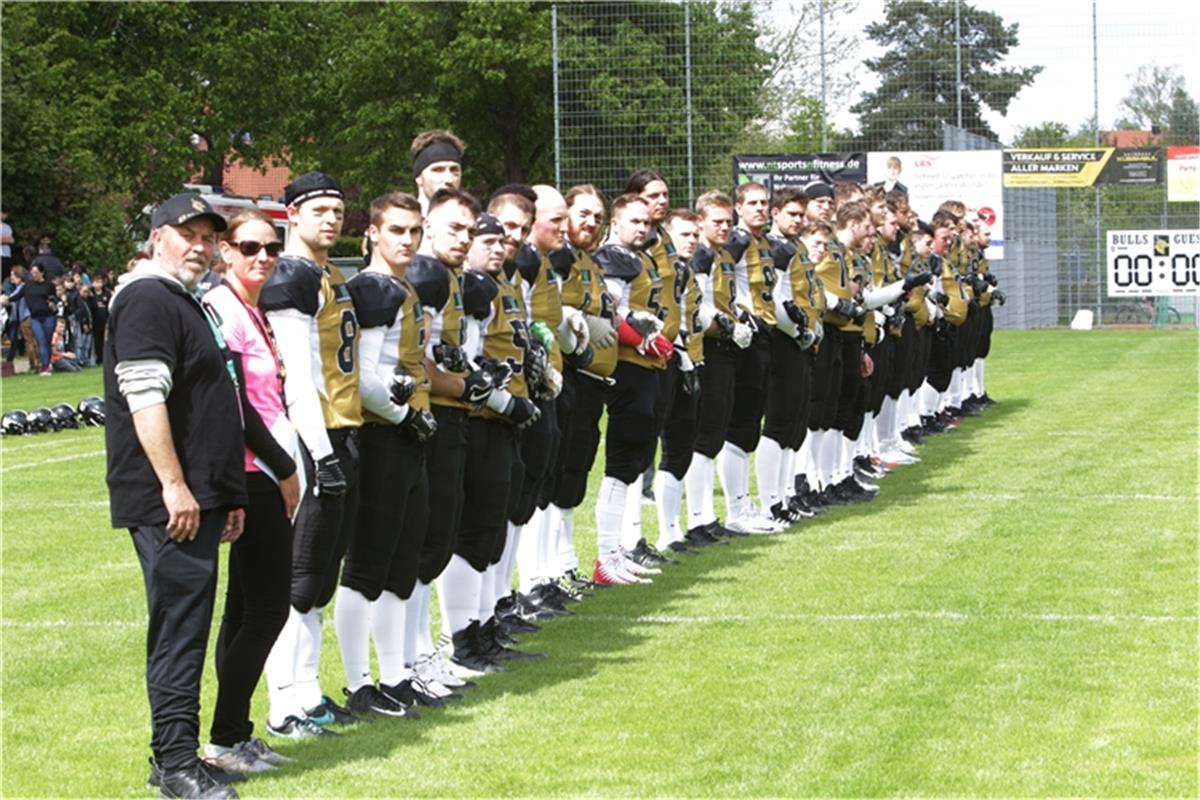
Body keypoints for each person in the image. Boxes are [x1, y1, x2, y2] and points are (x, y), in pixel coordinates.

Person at [103, 191, 246, 799]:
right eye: (188, 233)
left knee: (187, 623)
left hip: (198, 495)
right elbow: (144, 396)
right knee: (179, 630)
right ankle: (174, 763)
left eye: (209, 236)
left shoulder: (179, 299)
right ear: (157, 236)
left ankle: (183, 755)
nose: (201, 245)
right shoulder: (145, 297)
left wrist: (223, 491)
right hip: (171, 501)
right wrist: (174, 485)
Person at [259, 171, 364, 738]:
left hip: (341, 430)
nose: (331, 218)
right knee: (299, 579)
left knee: (321, 578)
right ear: (292, 214)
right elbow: (297, 377)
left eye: (337, 209)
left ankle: (308, 690)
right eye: (319, 209)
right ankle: (284, 704)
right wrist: (320, 453)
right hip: (310, 435)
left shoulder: (329, 275)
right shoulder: (292, 277)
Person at [200, 209, 303, 775]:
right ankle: (224, 738)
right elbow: (238, 408)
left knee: (243, 610)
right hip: (252, 474)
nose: (261, 257)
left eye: (270, 248)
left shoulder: (250, 308)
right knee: (266, 610)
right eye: (248, 247)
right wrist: (285, 468)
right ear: (226, 252)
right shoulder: (222, 309)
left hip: (262, 472)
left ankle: (233, 734)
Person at [341, 191, 444, 717]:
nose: (406, 240)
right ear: (373, 234)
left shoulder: (403, 288)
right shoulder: (374, 289)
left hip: (407, 435)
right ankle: (359, 683)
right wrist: (407, 412)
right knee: (368, 565)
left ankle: (397, 674)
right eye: (396, 230)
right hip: (381, 436)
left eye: (413, 231)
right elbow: (364, 375)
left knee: (403, 562)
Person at [591, 194, 674, 585]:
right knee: (622, 462)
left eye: (647, 222)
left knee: (635, 461)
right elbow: (611, 308)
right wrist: (640, 339)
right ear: (616, 221)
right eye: (634, 221)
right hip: (626, 368)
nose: (643, 228)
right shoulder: (614, 257)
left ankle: (619, 549)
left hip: (645, 367)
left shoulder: (641, 256)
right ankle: (607, 555)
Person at [683, 191, 750, 547]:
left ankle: (707, 515)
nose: (724, 227)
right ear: (700, 222)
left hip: (723, 345)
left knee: (714, 433)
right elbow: (699, 307)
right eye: (717, 221)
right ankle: (698, 517)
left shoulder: (722, 254)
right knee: (704, 435)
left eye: (728, 221)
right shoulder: (700, 256)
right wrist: (728, 325)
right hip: (705, 346)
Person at [720, 181, 782, 534]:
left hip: (763, 334)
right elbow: (723, 283)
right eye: (753, 202)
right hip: (745, 335)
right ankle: (736, 509)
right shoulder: (737, 240)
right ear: (738, 207)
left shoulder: (764, 243)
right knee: (740, 425)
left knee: (750, 425)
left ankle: (745, 504)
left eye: (764, 202)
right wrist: (741, 315)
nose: (760, 208)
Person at [411, 129, 466, 213]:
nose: (449, 179)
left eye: (454, 170)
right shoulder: (397, 222)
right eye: (438, 170)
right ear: (419, 177)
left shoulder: (474, 223)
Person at [23, 264, 58, 375]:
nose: (34, 275)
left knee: (47, 341)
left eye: (36, 272)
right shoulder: (28, 286)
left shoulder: (49, 285)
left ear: (42, 273)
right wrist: (7, 299)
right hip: (35, 317)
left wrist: (52, 302)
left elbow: (54, 297)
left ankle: (47, 362)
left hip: (48, 316)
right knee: (41, 341)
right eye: (32, 272)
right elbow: (17, 295)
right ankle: (45, 367)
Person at [1, 210, 13, 282]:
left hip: (7, 255)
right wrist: (6, 239)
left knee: (5, 276)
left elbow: (12, 240)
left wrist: (3, 239)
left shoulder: (8, 227)